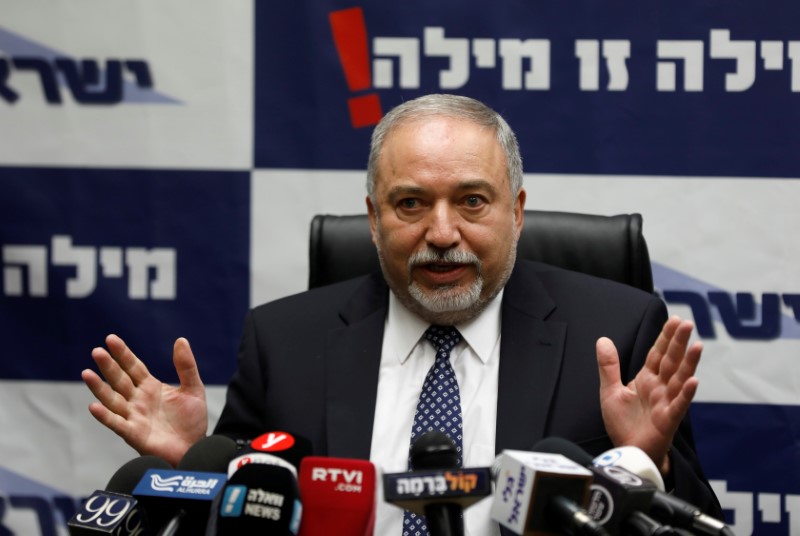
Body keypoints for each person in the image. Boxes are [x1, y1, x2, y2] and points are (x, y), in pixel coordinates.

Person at [82, 93, 721, 535]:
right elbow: (251, 515)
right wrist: (196, 461)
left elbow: (694, 522)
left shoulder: (614, 331)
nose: (442, 232)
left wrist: (649, 463)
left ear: (517, 211)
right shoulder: (283, 341)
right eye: (411, 204)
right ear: (373, 219)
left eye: (472, 201)